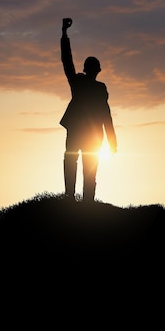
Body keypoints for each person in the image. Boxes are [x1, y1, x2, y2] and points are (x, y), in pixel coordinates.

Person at [60, 18, 117, 202]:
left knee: (76, 163)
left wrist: (64, 34)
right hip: (90, 133)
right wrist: (112, 141)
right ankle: (85, 201)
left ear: (86, 69)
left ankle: (75, 198)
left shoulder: (83, 84)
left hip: (83, 132)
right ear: (97, 70)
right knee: (85, 165)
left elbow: (67, 61)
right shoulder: (96, 87)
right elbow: (107, 116)